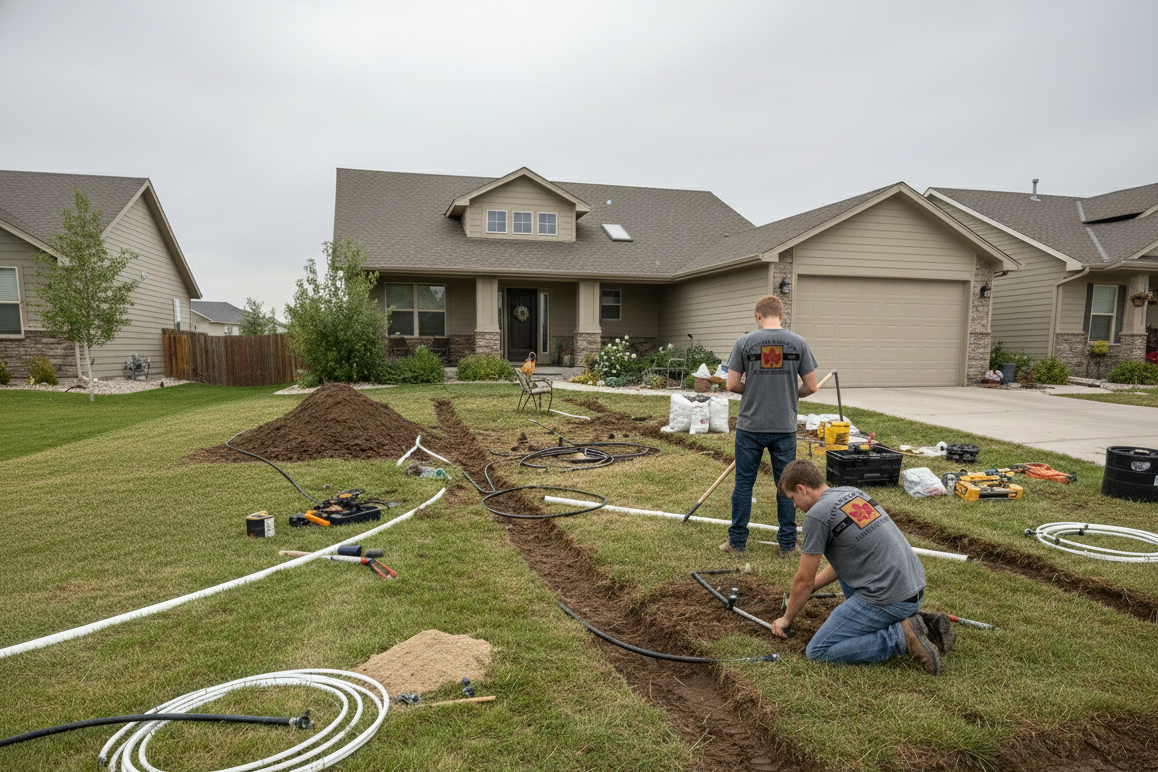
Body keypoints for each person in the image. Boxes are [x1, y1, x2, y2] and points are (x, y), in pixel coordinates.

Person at [770, 459, 954, 675]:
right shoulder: (852, 493)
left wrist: (786, 618)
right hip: (913, 588)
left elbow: (803, 580)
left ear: (801, 489)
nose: (794, 505)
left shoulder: (817, 515)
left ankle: (900, 637)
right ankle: (917, 623)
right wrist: (813, 588)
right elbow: (847, 559)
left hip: (889, 597)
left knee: (818, 651)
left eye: (792, 498)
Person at [721, 294, 818, 557]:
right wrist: (788, 393)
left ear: (758, 316)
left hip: (750, 427)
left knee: (743, 484)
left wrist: (752, 388)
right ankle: (787, 546)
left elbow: (730, 384)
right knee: (787, 486)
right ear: (782, 316)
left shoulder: (744, 342)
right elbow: (811, 386)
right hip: (784, 427)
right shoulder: (798, 343)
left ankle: (737, 543)